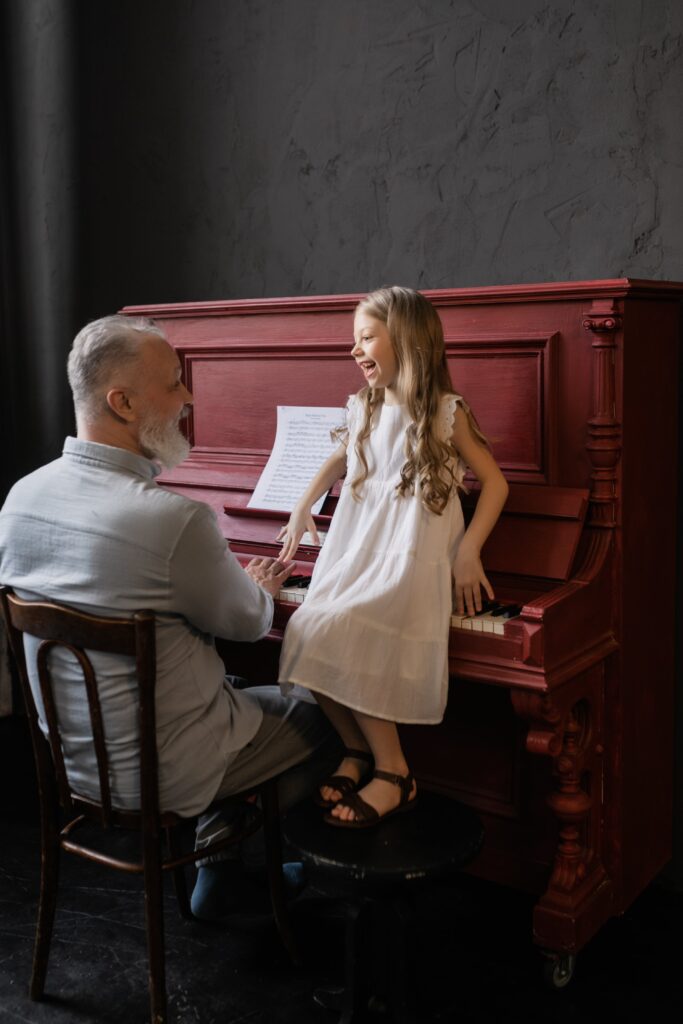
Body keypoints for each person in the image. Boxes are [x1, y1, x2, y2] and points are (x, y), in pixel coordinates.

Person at [0, 314, 340, 917]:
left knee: (223, 686)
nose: (189, 398)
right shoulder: (171, 520)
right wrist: (258, 586)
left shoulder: (21, 498)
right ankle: (234, 858)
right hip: (167, 772)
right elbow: (247, 624)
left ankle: (220, 874)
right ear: (123, 402)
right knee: (332, 715)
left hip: (76, 765)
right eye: (174, 383)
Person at [277, 286, 509, 828]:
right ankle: (358, 752)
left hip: (408, 559)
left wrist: (469, 549)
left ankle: (396, 772)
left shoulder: (445, 413)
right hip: (357, 553)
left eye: (366, 337)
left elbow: (496, 484)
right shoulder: (364, 406)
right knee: (307, 629)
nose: (355, 351)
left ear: (405, 339)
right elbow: (337, 460)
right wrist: (301, 506)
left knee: (341, 628)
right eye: (354, 340)